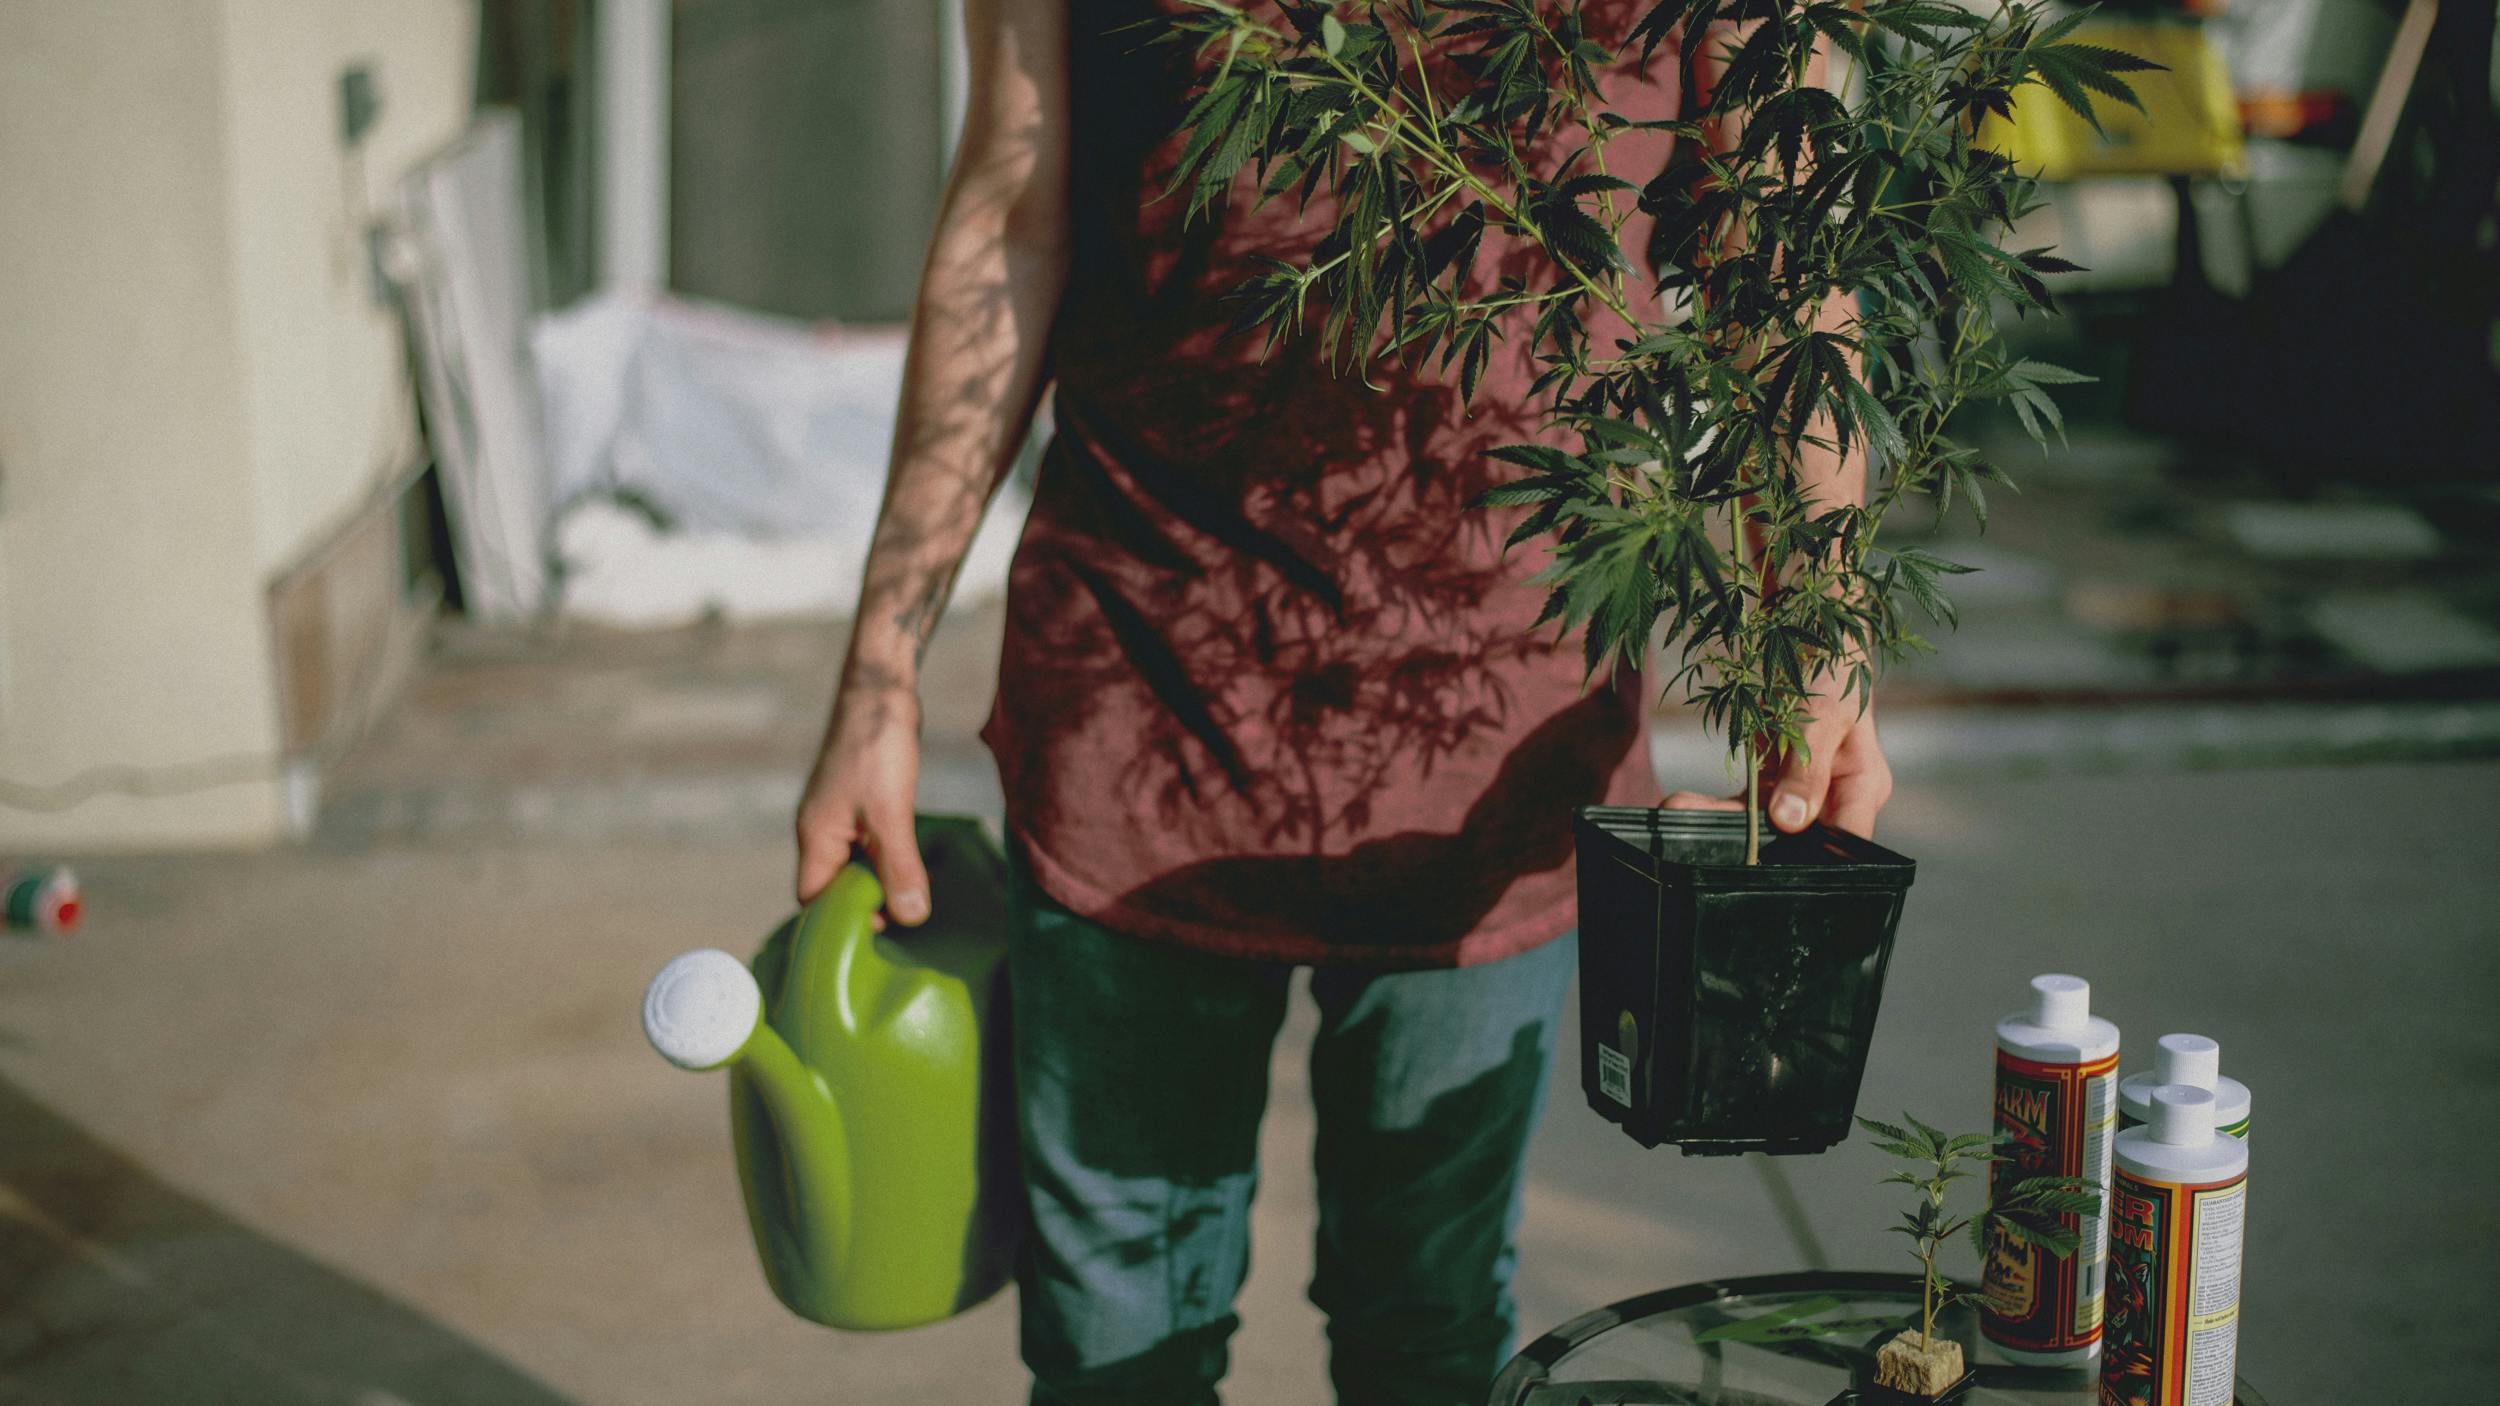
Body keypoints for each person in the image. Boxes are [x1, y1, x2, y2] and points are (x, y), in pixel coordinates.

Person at [794, 3, 1891, 1402]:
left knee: (1426, 1329)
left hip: (1499, 720)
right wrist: (876, 672)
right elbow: (1012, 216)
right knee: (1115, 1339)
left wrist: (1820, 641)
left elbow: (1781, 247)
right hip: (1142, 694)